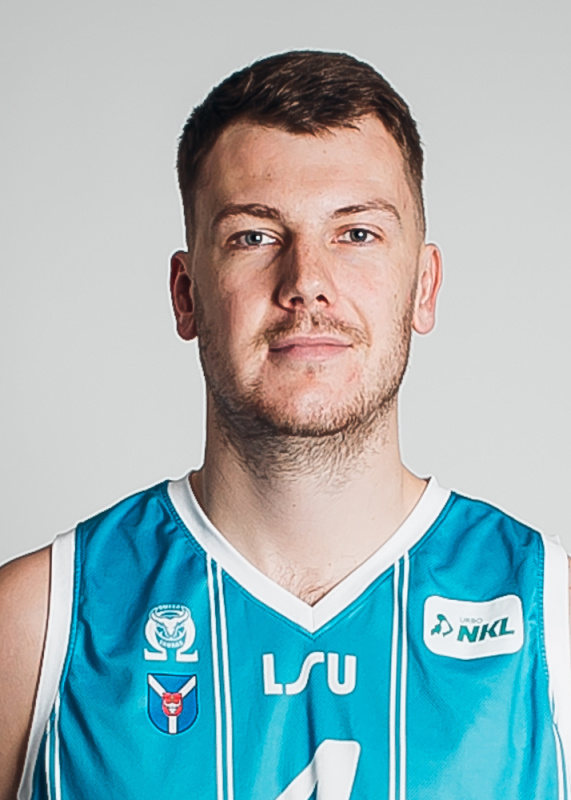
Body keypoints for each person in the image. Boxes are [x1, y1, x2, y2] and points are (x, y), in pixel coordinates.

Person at [1, 49, 569, 800]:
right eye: (254, 236)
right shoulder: (37, 625)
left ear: (423, 288)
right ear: (186, 294)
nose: (306, 283)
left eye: (356, 233)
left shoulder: (553, 620)